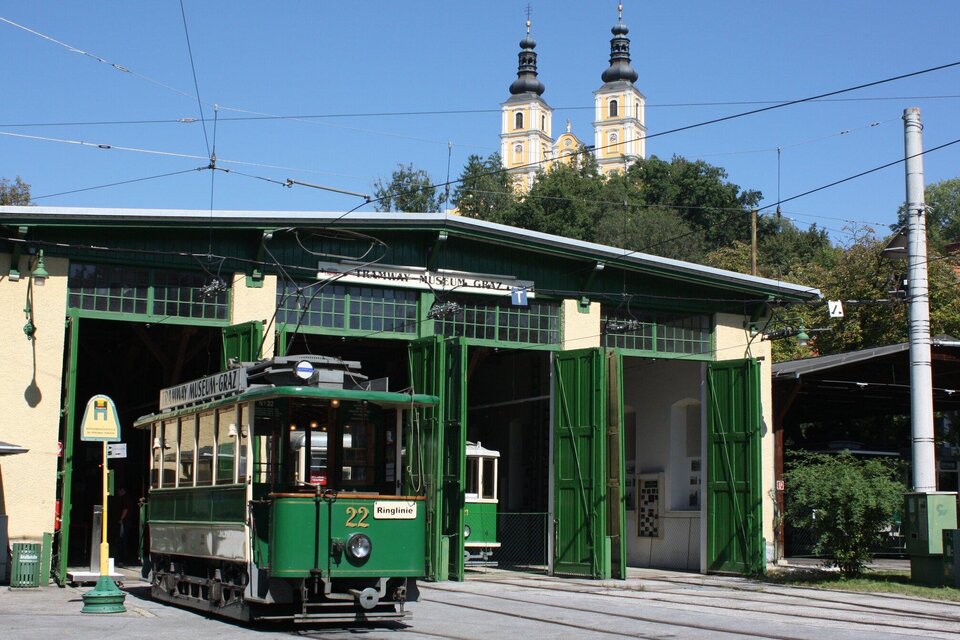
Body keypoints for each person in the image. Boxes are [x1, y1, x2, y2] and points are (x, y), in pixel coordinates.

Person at [115, 488, 136, 565]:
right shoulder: (127, 498)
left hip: (124, 522)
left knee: (122, 539)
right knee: (124, 539)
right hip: (127, 521)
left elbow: (125, 509)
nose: (118, 493)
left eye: (119, 491)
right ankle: (124, 557)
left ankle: (122, 558)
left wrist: (121, 519)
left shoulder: (125, 498)